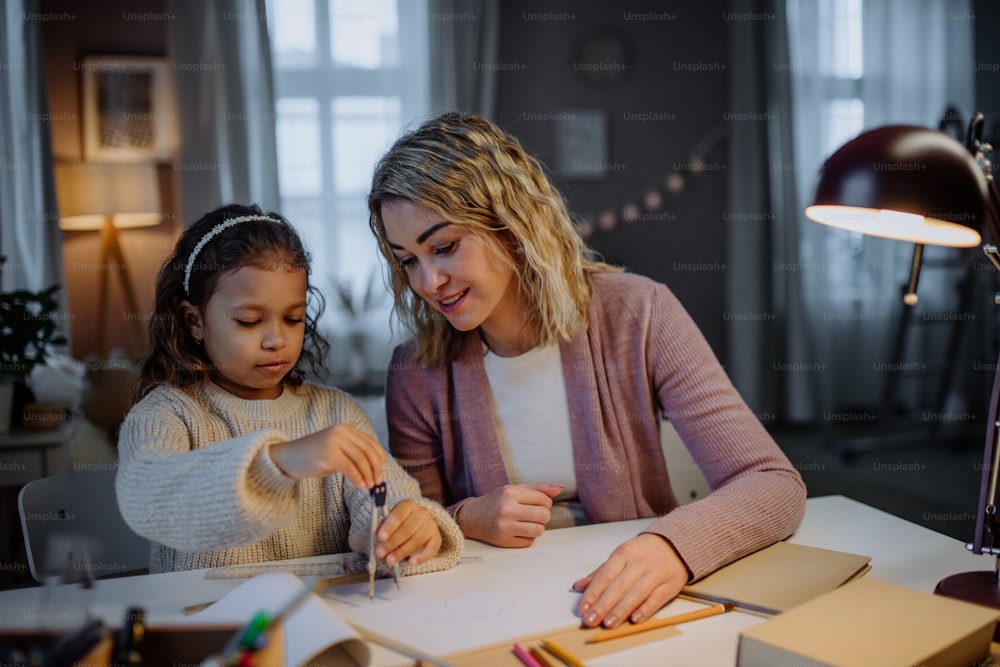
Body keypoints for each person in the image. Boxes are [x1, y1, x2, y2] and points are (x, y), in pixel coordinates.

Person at [367, 113, 807, 629]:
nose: (429, 281)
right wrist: (463, 518)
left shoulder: (640, 313)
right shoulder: (415, 371)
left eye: (443, 247)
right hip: (489, 610)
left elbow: (772, 483)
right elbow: (411, 520)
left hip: (633, 593)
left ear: (512, 224)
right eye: (408, 261)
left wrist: (671, 547)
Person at [115, 203, 462, 576]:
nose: (276, 339)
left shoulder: (336, 413)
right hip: (206, 626)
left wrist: (405, 526)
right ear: (193, 320)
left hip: (323, 622)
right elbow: (147, 498)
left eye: (293, 318)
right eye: (249, 321)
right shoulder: (167, 414)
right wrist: (277, 462)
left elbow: (386, 498)